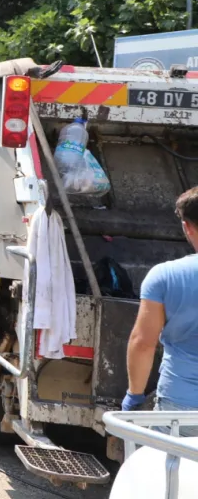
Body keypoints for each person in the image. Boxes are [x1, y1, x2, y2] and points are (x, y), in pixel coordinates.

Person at [124, 186, 198, 436]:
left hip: (180, 409)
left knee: (167, 462)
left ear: (187, 228)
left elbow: (143, 343)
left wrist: (134, 396)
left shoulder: (164, 276)